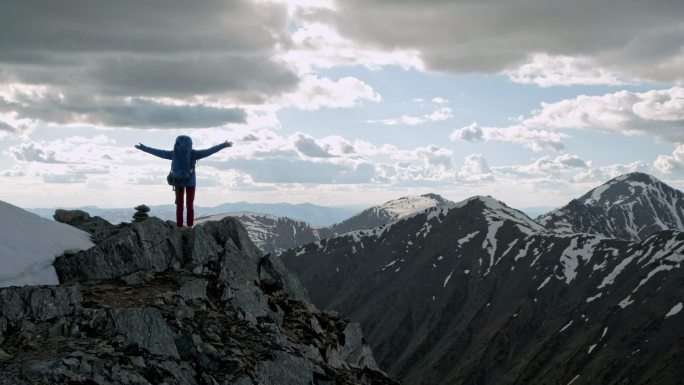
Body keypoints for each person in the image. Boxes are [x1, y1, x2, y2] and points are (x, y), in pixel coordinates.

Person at [135, 135, 232, 228]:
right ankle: (190, 226)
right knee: (190, 205)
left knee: (179, 205)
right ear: (190, 144)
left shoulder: (173, 154)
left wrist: (143, 148)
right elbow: (209, 151)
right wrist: (223, 145)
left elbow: (158, 152)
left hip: (178, 182)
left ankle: (179, 226)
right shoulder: (194, 154)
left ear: (177, 144)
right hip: (191, 182)